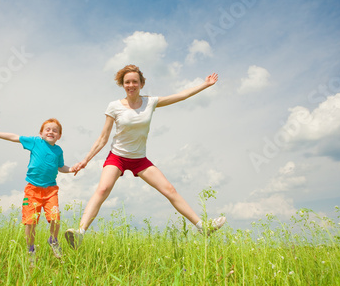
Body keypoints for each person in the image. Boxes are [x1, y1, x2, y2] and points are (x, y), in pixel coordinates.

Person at [65, 65, 226, 249]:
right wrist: (86, 160)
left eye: (135, 81)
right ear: (122, 84)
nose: (131, 85)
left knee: (170, 190)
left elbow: (181, 95)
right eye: (127, 82)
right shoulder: (114, 106)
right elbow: (103, 138)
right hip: (117, 156)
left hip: (140, 159)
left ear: (141, 83)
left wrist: (205, 84)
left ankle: (202, 227)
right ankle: (80, 233)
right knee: (103, 189)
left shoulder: (150, 102)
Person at [0, 119, 74, 265]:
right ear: (41, 133)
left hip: (51, 190)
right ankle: (30, 250)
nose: (51, 132)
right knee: (30, 222)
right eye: (47, 129)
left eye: (55, 130)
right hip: (32, 190)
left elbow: (61, 167)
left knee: (55, 218)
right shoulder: (35, 142)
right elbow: (16, 137)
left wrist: (72, 169)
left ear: (59, 136)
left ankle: (53, 240)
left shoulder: (58, 151)